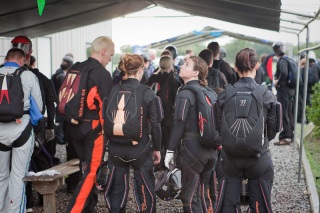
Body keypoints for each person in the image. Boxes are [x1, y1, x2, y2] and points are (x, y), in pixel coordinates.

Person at [215, 48, 278, 212]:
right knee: (259, 206)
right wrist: (258, 141)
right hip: (258, 158)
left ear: (235, 67)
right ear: (257, 66)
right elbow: (272, 130)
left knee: (227, 206)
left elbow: (218, 126)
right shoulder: (267, 95)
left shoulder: (224, 95)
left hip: (229, 159)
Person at [103, 54, 162, 213]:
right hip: (140, 148)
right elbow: (155, 124)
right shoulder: (147, 92)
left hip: (115, 148)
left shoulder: (114, 90)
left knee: (116, 190)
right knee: (145, 189)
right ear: (141, 69)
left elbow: (105, 118)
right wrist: (157, 149)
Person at [164, 56, 221, 212]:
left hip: (192, 152)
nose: (182, 66)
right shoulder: (210, 92)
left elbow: (179, 123)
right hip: (211, 152)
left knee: (190, 198)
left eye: (187, 65)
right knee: (206, 194)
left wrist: (169, 150)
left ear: (196, 72)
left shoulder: (185, 93)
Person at [65, 36, 114, 213]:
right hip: (93, 129)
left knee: (86, 168)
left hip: (74, 126)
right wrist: (108, 133)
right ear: (103, 52)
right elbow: (105, 108)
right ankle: (74, 210)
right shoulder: (101, 74)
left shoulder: (76, 67)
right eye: (110, 55)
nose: (110, 59)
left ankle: (89, 208)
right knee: (92, 172)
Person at [11, 36, 57, 211]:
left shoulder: (3, 75)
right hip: (35, 128)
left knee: (16, 166)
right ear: (29, 55)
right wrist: (50, 126)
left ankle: (25, 202)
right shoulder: (41, 78)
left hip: (10, 128)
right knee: (42, 160)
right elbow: (50, 104)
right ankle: (43, 197)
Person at [0, 48, 43, 213]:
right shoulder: (27, 75)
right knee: (18, 176)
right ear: (21, 60)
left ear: (6, 59)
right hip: (22, 129)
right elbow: (39, 107)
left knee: (1, 175)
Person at [147, 54, 181, 170]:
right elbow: (176, 99)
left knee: (156, 138)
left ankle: (156, 163)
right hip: (168, 115)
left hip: (153, 113)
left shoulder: (153, 78)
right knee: (168, 140)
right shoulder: (174, 80)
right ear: (171, 64)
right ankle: (167, 164)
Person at [273, 41, 295, 145]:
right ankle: (290, 134)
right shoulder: (289, 59)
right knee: (289, 113)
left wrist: (277, 82)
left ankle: (286, 137)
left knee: (284, 112)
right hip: (291, 90)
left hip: (284, 90)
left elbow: (284, 72)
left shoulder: (282, 61)